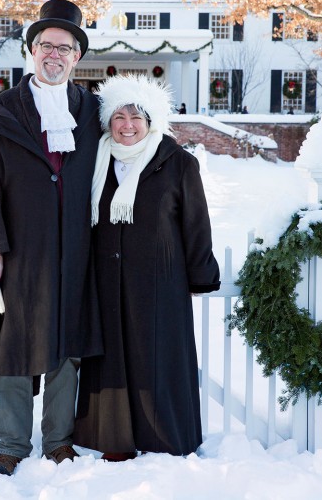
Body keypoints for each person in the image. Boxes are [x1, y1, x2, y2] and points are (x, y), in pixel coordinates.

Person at [0, 0, 103, 477]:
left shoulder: (92, 112)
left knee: (68, 346)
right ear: (32, 50)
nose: (54, 55)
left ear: (77, 57)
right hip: (21, 250)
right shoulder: (2, 113)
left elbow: (136, 143)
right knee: (16, 346)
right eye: (46, 45)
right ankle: (12, 444)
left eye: (65, 47)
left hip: (76, 251)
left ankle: (60, 441)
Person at [74, 74, 220, 460]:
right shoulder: (93, 161)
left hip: (160, 284)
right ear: (108, 121)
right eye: (119, 116)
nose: (127, 125)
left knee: (158, 360)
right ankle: (114, 438)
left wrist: (200, 276)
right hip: (104, 280)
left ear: (151, 120)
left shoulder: (177, 163)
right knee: (111, 360)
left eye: (136, 116)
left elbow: (196, 225)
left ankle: (165, 437)